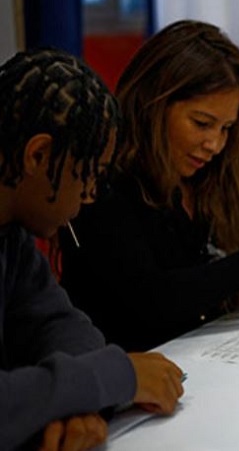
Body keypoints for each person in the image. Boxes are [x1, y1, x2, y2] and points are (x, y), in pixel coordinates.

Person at [59, 20, 239, 352]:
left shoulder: (206, 178)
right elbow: (153, 301)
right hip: (128, 372)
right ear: (153, 105)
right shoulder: (103, 184)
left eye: (226, 128)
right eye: (201, 124)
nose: (214, 145)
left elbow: (212, 274)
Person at [0, 49, 184, 450]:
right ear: (38, 155)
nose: (89, 197)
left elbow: (58, 322)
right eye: (89, 176)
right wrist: (113, 377)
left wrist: (79, 401)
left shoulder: (11, 235)